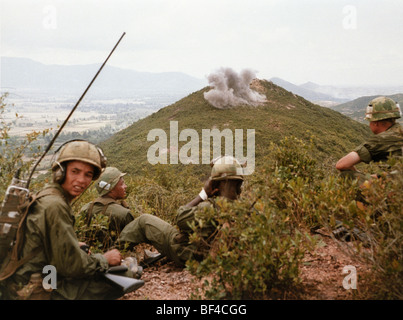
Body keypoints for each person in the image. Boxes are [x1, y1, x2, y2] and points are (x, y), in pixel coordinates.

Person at [1, 140, 143, 300]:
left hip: (23, 279)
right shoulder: (56, 205)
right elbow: (71, 265)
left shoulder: (47, 194)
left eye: (88, 174)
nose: (81, 180)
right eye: (75, 171)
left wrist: (73, 245)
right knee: (126, 275)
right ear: (61, 172)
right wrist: (104, 259)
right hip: (32, 290)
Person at [118, 155, 245, 267]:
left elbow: (180, 218)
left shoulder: (208, 208)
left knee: (144, 221)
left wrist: (203, 194)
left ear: (216, 184)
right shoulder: (244, 208)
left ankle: (113, 254)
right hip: (211, 256)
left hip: (188, 254)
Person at [336, 96, 403, 183]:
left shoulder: (381, 139)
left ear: (376, 123)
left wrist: (360, 175)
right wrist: (378, 177)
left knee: (346, 175)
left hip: (397, 189)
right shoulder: (400, 131)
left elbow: (341, 165)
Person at [80, 167, 137, 246]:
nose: (125, 186)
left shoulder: (85, 208)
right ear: (112, 189)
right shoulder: (124, 214)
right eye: (122, 184)